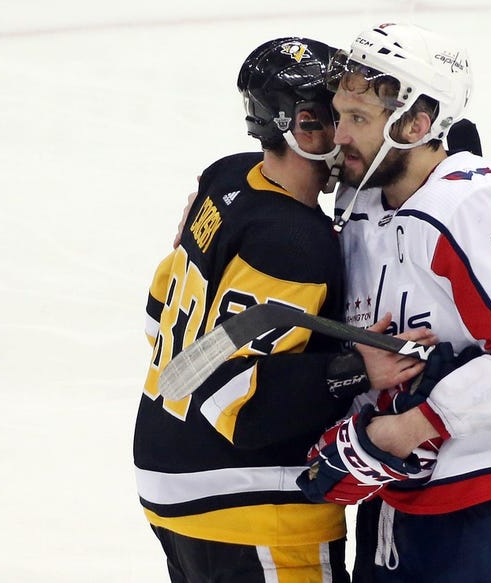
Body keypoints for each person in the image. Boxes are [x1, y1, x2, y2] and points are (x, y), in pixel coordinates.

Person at [133, 36, 434, 583]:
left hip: (173, 474)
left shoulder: (227, 176)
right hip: (246, 502)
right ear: (298, 127)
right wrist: (355, 368)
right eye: (332, 118)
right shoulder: (295, 242)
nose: (347, 134)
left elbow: (161, 313)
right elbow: (239, 404)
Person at [296, 23, 491, 582]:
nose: (341, 135)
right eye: (340, 115)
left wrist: (407, 430)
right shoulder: (358, 205)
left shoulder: (470, 204)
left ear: (416, 124)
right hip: (401, 499)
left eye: (358, 120)